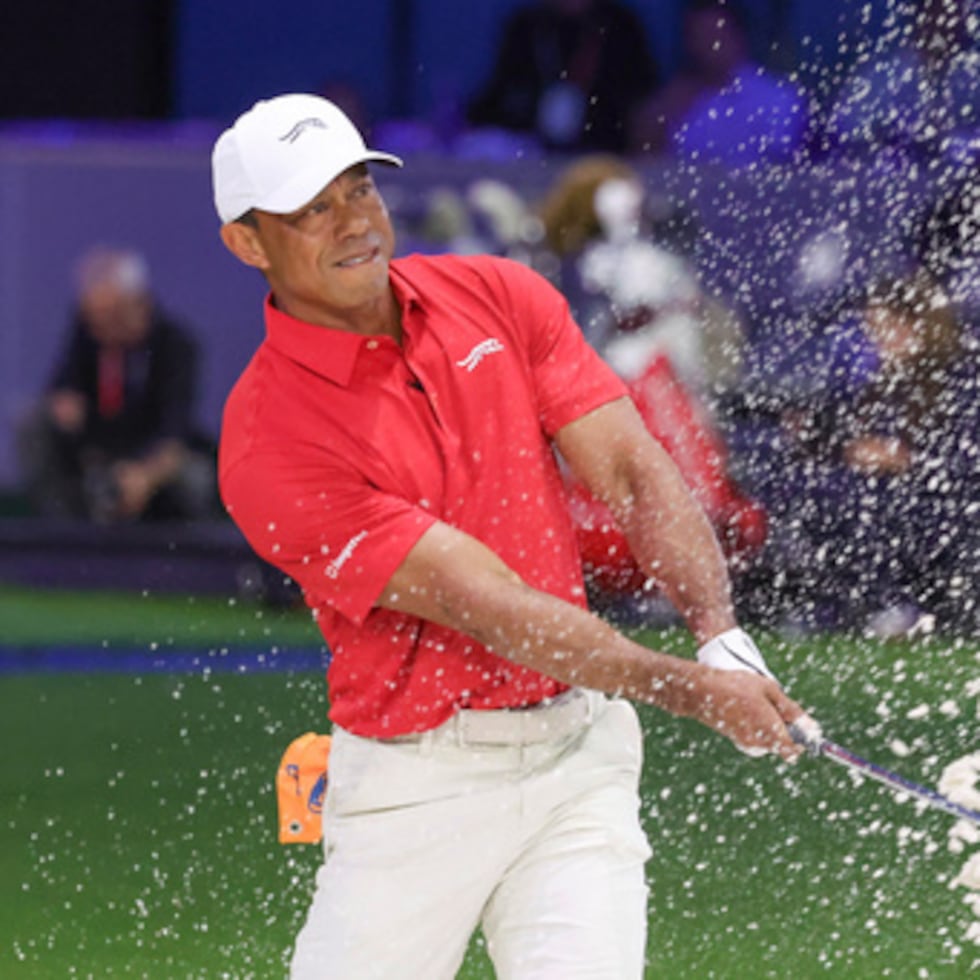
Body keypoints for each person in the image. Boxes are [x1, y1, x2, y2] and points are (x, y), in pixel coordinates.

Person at [211, 93, 814, 979]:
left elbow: (633, 470)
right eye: (311, 209)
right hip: (416, 790)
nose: (352, 223)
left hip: (576, 760)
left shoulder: (495, 293)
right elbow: (482, 603)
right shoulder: (268, 441)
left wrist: (719, 635)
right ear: (247, 242)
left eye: (359, 191)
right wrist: (691, 690)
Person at [537, 154, 767, 618]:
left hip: (630, 400)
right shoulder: (568, 270)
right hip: (603, 401)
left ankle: (663, 586)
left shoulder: (633, 267)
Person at [17, 247, 215, 523]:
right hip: (96, 451)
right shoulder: (88, 332)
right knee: (31, 424)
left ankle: (185, 556)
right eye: (94, 317)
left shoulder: (177, 346)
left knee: (194, 476)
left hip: (152, 456)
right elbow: (62, 385)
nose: (102, 327)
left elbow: (175, 430)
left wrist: (143, 475)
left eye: (113, 316)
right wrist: (64, 405)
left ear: (139, 304)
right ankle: (61, 535)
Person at [628, 0, 809, 166]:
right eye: (698, 36)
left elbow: (790, 164)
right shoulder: (676, 97)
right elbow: (644, 156)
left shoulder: (777, 96)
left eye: (715, 35)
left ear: (738, 37)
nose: (708, 45)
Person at [466, 0, 660, 153]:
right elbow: (499, 97)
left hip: (604, 156)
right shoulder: (526, 27)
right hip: (534, 154)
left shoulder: (621, 27)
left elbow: (643, 104)